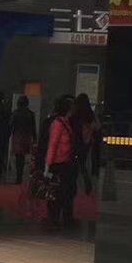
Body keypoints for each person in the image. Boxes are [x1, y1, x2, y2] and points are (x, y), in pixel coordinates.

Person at [44, 96, 76, 229]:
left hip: (64, 162)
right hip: (58, 164)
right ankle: (53, 219)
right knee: (56, 193)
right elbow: (53, 145)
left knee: (60, 192)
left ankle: (55, 219)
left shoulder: (65, 123)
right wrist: (47, 166)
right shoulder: (58, 124)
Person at [68, 94, 102, 197]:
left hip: (78, 142)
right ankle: (87, 181)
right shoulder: (90, 114)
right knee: (85, 163)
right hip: (89, 143)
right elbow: (98, 126)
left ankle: (78, 184)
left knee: (78, 163)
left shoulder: (76, 115)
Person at [9, 96, 37, 184]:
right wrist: (35, 138)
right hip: (27, 137)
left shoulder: (15, 113)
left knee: (18, 157)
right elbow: (33, 127)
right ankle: (20, 175)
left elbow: (10, 124)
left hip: (17, 136)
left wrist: (8, 135)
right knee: (23, 156)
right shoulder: (31, 114)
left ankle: (18, 177)